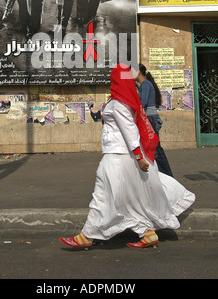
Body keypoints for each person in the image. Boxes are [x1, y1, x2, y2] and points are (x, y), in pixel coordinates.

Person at [59, 63, 195, 249]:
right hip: (121, 155)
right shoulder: (122, 100)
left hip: (117, 155)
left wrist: (139, 156)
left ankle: (88, 235)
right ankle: (147, 233)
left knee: (103, 195)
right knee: (129, 197)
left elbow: (129, 130)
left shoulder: (118, 104)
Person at [134, 63, 174, 178]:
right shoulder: (143, 84)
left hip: (150, 119)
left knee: (156, 150)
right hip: (149, 118)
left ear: (138, 72)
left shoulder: (145, 84)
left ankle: (167, 175)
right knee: (154, 149)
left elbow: (143, 102)